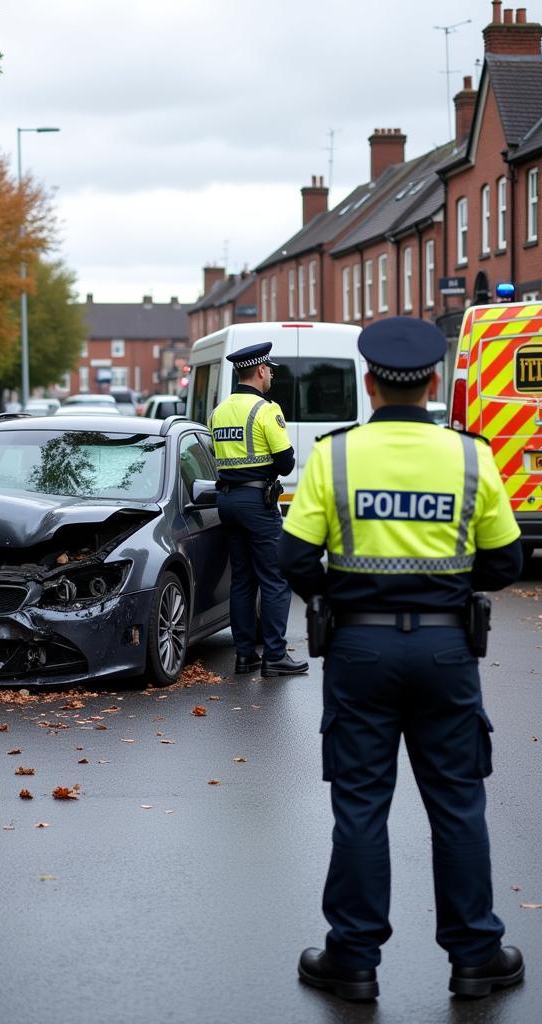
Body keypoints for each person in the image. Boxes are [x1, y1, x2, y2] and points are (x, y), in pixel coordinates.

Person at [279, 316, 524, 1002]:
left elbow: (294, 557)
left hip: (359, 648)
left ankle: (352, 959)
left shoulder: (336, 457)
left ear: (369, 383)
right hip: (448, 649)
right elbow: (505, 561)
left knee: (360, 806)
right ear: (434, 382)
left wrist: (346, 596)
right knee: (457, 803)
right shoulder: (472, 457)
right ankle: (477, 956)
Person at [209, 342, 308, 677]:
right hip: (257, 503)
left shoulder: (219, 411)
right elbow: (285, 463)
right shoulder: (266, 410)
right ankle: (275, 656)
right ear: (261, 371)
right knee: (275, 578)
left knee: (242, 579)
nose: (272, 376)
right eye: (271, 370)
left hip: (227, 501)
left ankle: (244, 655)